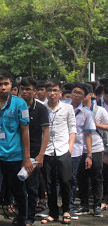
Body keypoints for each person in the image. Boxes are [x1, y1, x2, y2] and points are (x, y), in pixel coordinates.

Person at [0, 69, 32, 226]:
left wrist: (26, 157)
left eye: (6, 84)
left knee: (19, 192)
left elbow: (25, 131)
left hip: (16, 157)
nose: (3, 87)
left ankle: (22, 219)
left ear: (12, 85)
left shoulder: (20, 104)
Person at [41, 79, 76, 225]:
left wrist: (70, 148)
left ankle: (66, 210)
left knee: (65, 181)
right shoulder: (42, 108)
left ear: (60, 93)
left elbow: (72, 128)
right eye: (49, 90)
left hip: (63, 149)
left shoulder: (67, 108)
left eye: (55, 90)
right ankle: (53, 212)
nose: (52, 93)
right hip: (47, 150)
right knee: (49, 184)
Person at [19, 76, 51, 226]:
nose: (25, 92)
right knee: (17, 187)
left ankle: (29, 218)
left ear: (35, 91)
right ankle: (21, 214)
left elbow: (46, 131)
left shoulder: (41, 109)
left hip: (33, 153)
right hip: (15, 152)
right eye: (22, 89)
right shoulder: (15, 106)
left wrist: (41, 154)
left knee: (31, 187)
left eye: (28, 89)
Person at [75, 83, 107, 217]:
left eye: (82, 94)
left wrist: (95, 124)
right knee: (81, 177)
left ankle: (97, 205)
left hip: (96, 148)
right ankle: (84, 204)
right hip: (79, 149)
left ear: (90, 95)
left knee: (97, 178)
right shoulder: (75, 110)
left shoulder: (100, 110)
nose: (79, 96)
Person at [68, 82, 95, 217]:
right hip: (59, 148)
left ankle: (70, 206)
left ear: (85, 96)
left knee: (72, 179)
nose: (76, 95)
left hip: (76, 151)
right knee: (56, 179)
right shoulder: (63, 107)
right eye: (74, 92)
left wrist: (89, 155)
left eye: (80, 93)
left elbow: (88, 135)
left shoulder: (86, 113)